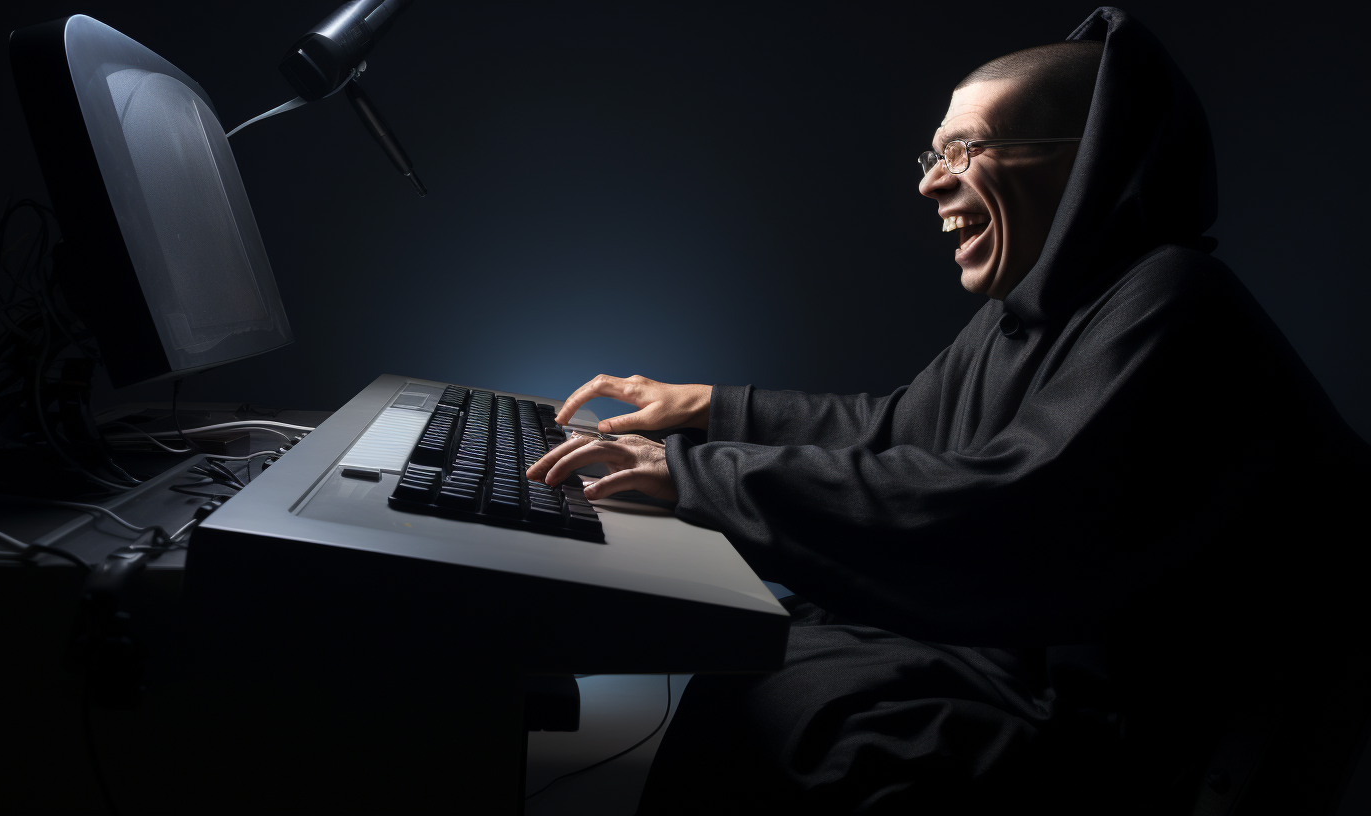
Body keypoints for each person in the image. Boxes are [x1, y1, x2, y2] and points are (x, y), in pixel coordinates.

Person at [527, 7, 1369, 813]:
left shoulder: (1174, 299)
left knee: (804, 695)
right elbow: (898, 431)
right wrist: (710, 411)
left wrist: (693, 476)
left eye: (964, 149)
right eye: (931, 155)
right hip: (1015, 677)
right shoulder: (1038, 312)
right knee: (769, 646)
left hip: (1117, 748)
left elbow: (1009, 508)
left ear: (1090, 158)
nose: (932, 182)